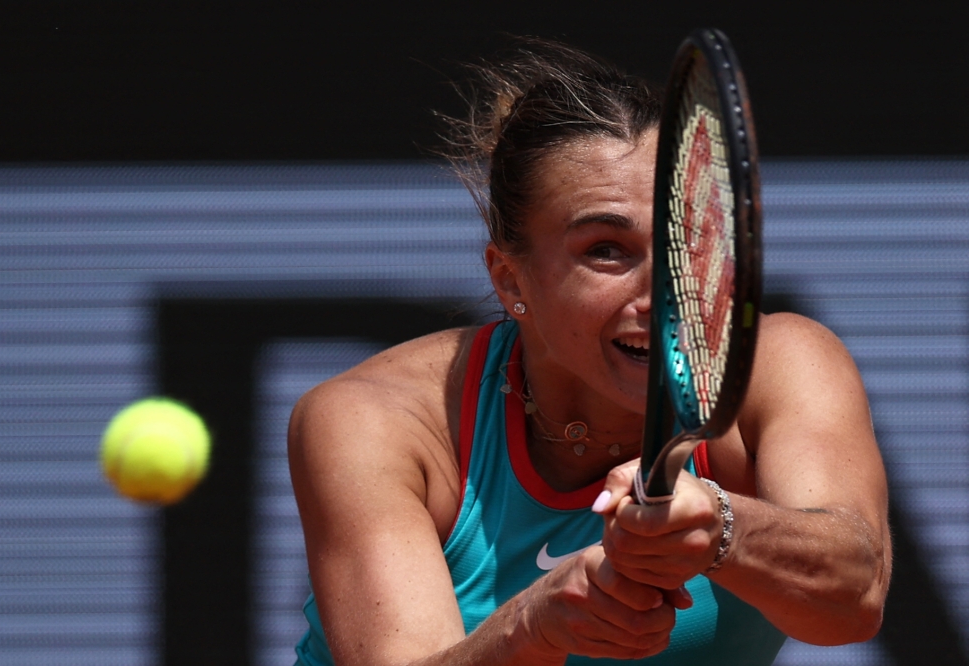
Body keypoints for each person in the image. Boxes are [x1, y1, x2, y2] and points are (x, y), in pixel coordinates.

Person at [287, 41, 891, 666]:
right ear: (511, 280)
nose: (667, 292)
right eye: (606, 249)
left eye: (686, 240)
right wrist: (533, 626)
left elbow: (855, 595)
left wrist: (719, 526)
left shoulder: (780, 365)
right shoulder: (374, 420)